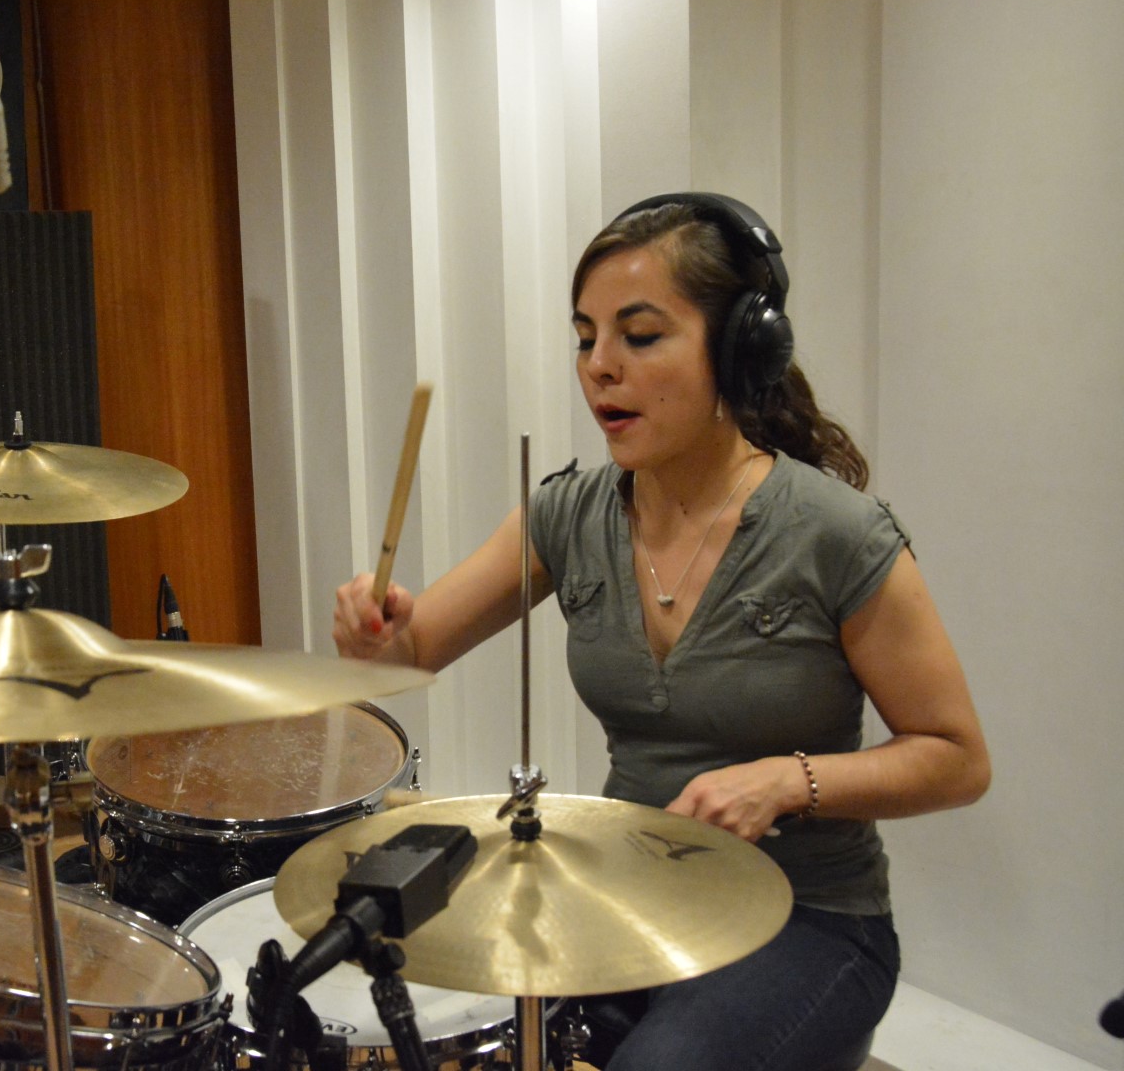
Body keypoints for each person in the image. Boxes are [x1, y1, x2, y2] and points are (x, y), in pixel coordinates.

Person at [331, 193, 990, 1071]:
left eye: (640, 337)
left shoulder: (838, 534)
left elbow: (956, 758)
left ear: (739, 352)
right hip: (634, 895)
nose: (600, 367)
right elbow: (412, 651)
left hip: (810, 919)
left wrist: (785, 782)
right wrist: (374, 632)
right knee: (446, 1015)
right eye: (585, 338)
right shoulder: (567, 515)